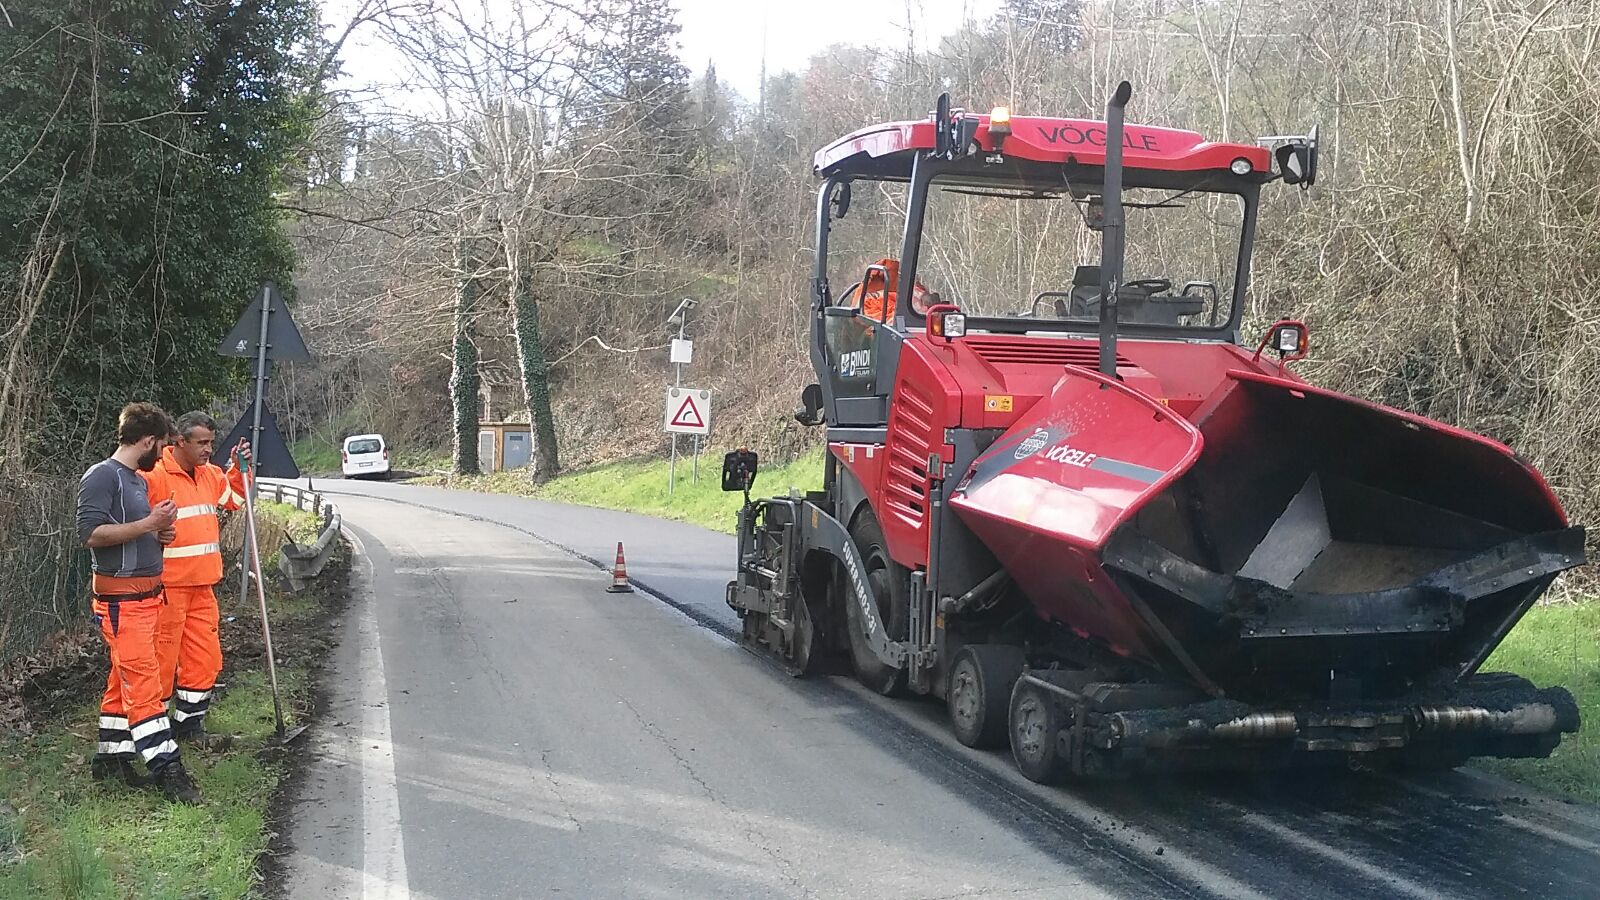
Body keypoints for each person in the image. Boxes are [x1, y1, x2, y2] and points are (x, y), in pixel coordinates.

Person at [76, 402, 200, 804]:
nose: (162, 454)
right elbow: (91, 534)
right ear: (146, 441)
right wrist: (149, 525)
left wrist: (158, 535)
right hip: (120, 603)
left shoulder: (137, 480)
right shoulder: (102, 476)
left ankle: (111, 758)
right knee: (144, 684)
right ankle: (168, 769)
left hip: (148, 599)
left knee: (123, 679)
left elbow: (134, 533)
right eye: (161, 446)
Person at [141, 412, 249, 749]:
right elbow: (135, 520)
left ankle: (189, 725)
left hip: (203, 587)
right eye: (201, 442)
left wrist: (239, 470)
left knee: (204, 658)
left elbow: (233, 499)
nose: (208, 449)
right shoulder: (155, 475)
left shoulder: (210, 475)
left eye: (211, 442)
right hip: (167, 589)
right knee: (161, 659)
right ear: (179, 441)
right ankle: (153, 730)